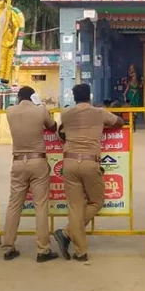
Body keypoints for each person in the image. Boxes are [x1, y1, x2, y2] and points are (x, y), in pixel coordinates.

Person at [53, 83, 124, 261]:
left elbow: (60, 133)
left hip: (68, 162)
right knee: (97, 201)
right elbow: (120, 123)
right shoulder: (98, 112)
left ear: (74, 98)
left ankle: (80, 250)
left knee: (75, 207)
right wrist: (101, 126)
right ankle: (66, 233)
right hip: (89, 162)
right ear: (89, 97)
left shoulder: (66, 114)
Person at [3, 86, 58, 262]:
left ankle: (8, 246)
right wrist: (41, 106)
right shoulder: (40, 111)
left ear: (18, 98)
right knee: (40, 206)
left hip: (18, 162)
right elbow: (53, 126)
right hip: (38, 161)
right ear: (32, 97)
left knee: (13, 205)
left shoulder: (10, 111)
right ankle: (43, 249)